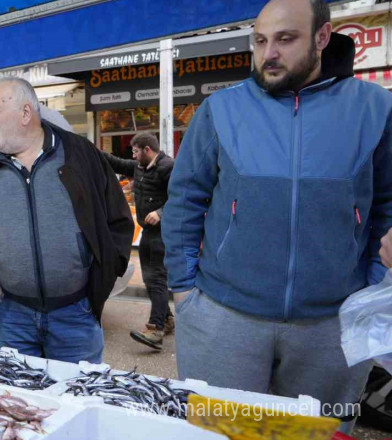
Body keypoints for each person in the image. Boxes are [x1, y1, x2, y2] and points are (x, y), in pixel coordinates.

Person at [162, 0, 392, 429]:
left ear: (322, 38)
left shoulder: (376, 109)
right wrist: (182, 290)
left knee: (315, 434)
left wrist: (373, 287)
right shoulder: (220, 109)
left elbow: (387, 206)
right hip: (223, 317)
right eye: (261, 40)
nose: (269, 53)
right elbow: (185, 199)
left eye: (286, 39)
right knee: (219, 433)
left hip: (331, 325)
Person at [0, 78, 133, 363]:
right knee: (24, 402)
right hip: (12, 317)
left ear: (25, 114)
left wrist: (103, 277)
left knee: (78, 398)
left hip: (76, 314)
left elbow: (118, 219)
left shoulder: (79, 154)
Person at [102, 133, 175, 350]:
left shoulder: (167, 167)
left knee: (156, 280)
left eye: (135, 151)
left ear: (147, 150)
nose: (133, 155)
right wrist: (88, 149)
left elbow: (182, 195)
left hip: (163, 232)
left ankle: (155, 329)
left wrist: (161, 212)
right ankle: (167, 319)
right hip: (148, 232)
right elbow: (116, 162)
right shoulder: (140, 167)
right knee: (150, 279)